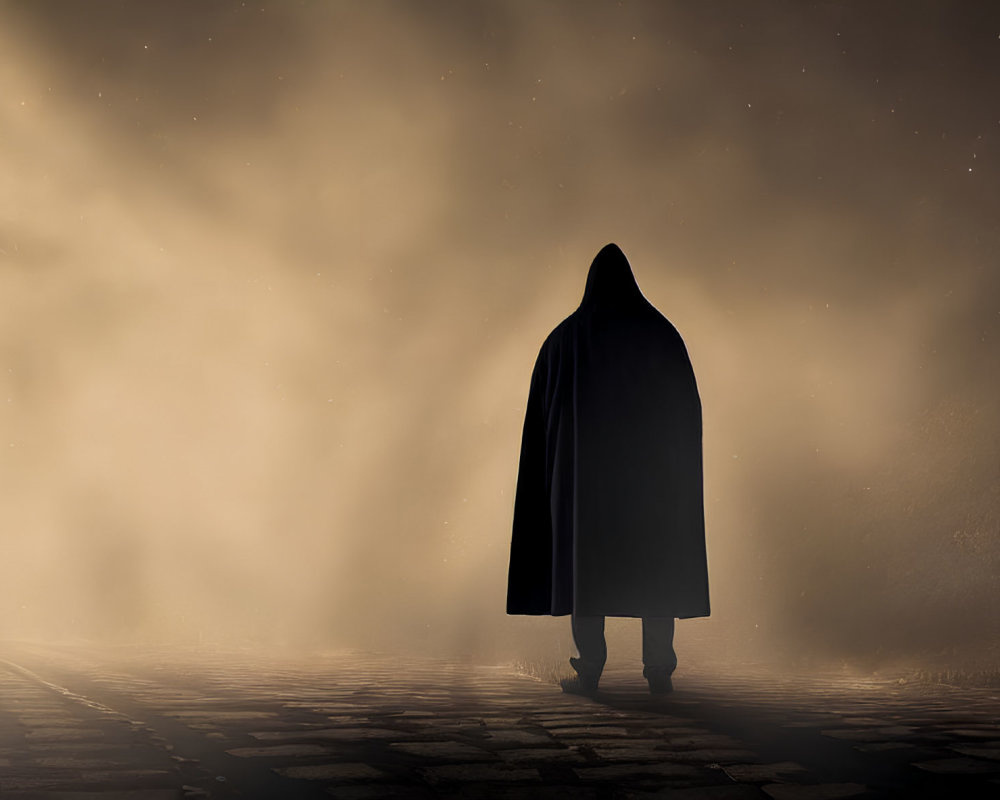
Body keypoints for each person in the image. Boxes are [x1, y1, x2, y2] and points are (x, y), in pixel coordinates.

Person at [506, 243, 709, 696]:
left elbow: (541, 422)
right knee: (656, 570)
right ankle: (659, 671)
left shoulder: (565, 340)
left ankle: (590, 669)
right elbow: (686, 412)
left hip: (585, 488)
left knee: (586, 572)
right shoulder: (660, 334)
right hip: (650, 486)